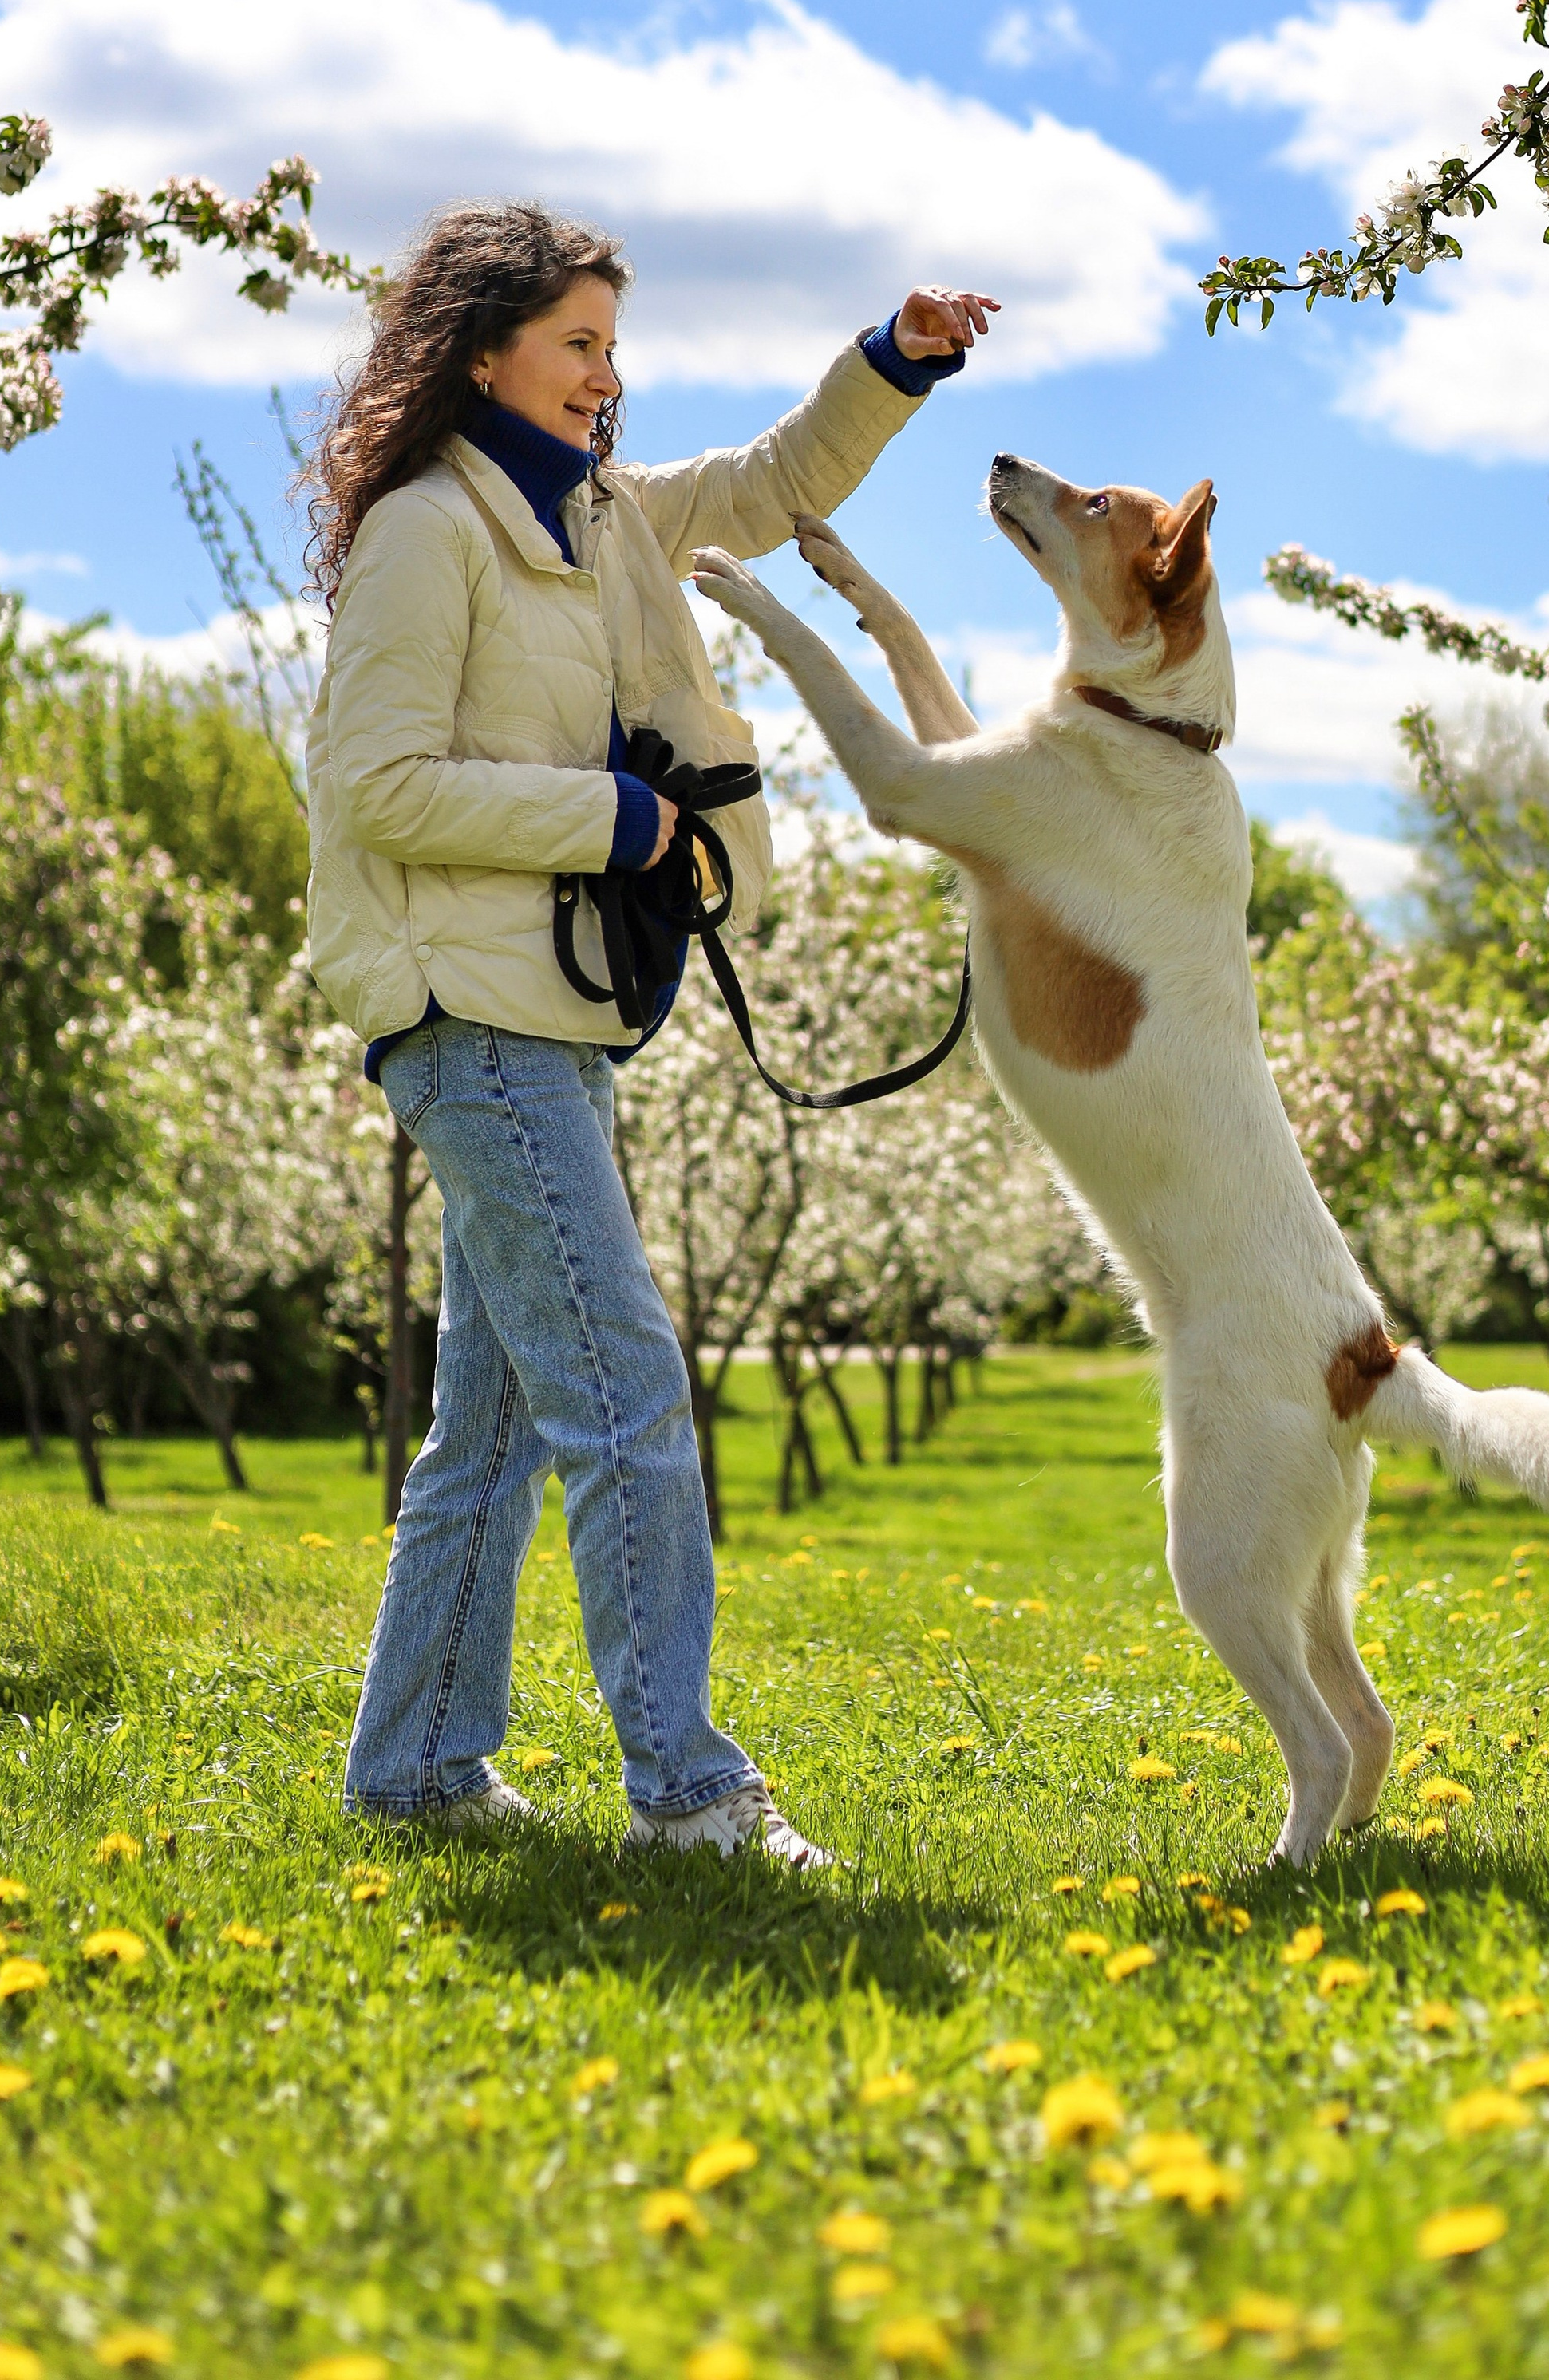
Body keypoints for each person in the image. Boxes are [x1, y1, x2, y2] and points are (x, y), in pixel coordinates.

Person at [301, 200, 994, 1858]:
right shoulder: (429, 529)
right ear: (483, 357)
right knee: (623, 1392)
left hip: (543, 1015)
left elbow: (767, 488)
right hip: (463, 1010)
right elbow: (373, 785)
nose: (607, 376)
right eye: (576, 344)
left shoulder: (605, 514)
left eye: (616, 344)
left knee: (495, 1425)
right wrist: (617, 821)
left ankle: (415, 1772)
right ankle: (686, 1793)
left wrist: (892, 363)